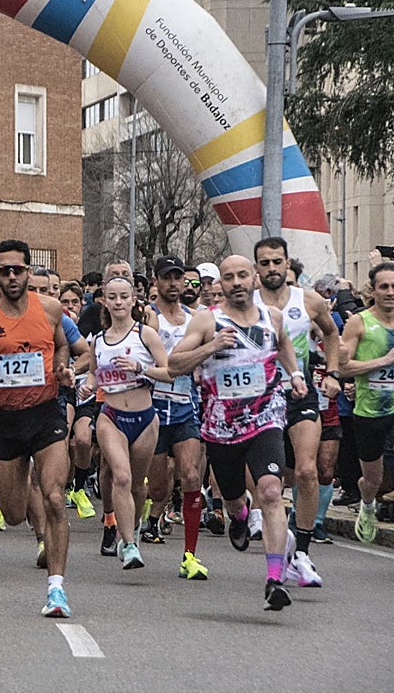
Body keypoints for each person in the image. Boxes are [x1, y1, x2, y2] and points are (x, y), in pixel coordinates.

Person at [169, 255, 308, 611]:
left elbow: (285, 347)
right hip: (221, 429)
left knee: (272, 492)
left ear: (255, 278)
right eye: (228, 277)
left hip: (266, 419)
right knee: (233, 498)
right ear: (222, 285)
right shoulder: (207, 320)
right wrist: (211, 347)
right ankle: (240, 516)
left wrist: (294, 375)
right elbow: (173, 364)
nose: (236, 282)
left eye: (242, 275)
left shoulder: (271, 317)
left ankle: (275, 579)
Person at [0, 240, 75, 617]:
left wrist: (65, 369)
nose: (11, 276)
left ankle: (56, 589)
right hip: (3, 417)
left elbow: (67, 347)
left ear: (28, 271)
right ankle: (24, 515)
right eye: (3, 270)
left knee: (54, 497)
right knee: (15, 511)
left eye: (17, 269)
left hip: (46, 413)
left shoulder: (50, 309)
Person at [252, 237, 341, 586]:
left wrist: (332, 373)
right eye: (265, 263)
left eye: (277, 262)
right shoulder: (249, 302)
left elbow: (333, 334)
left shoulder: (309, 300)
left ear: (288, 264)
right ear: (256, 267)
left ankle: (301, 553)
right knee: (270, 482)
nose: (272, 268)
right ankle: (261, 523)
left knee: (307, 471)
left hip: (299, 394)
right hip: (258, 399)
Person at [80, 275, 174, 570]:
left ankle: (128, 533)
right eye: (112, 297)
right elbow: (94, 375)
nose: (118, 302)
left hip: (145, 418)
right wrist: (86, 384)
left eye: (124, 296)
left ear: (134, 299)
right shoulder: (98, 340)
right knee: (120, 476)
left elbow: (168, 372)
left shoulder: (145, 334)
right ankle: (131, 545)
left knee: (136, 485)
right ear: (104, 301)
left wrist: (139, 367)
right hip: (111, 416)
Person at [341, 262, 394, 564]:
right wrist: (382, 361)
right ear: (373, 290)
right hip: (368, 410)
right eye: (384, 287)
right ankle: (367, 505)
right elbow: (342, 367)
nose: (390, 292)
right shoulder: (358, 323)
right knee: (373, 480)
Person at [144, 256, 209, 580]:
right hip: (153, 407)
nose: (173, 284)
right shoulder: (149, 317)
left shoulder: (197, 319)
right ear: (156, 281)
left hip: (185, 406)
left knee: (191, 475)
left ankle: (190, 555)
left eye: (178, 278)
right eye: (167, 278)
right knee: (157, 489)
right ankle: (150, 513)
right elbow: (160, 361)